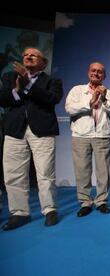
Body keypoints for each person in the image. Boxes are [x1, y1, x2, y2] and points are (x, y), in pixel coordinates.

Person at [0, 47, 63, 230]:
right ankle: (19, 213)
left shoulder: (52, 80)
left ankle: (50, 210)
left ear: (43, 62)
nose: (28, 56)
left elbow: (52, 99)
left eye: (33, 55)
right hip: (14, 130)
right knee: (13, 174)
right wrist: (17, 90)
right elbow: (3, 99)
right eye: (25, 55)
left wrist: (28, 85)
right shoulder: (9, 78)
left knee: (45, 173)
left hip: (42, 130)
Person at [65, 62, 110, 217]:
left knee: (103, 171)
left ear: (104, 76)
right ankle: (85, 202)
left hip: (102, 135)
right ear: (88, 72)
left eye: (100, 72)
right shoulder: (77, 90)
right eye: (93, 71)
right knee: (82, 170)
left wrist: (103, 99)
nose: (96, 73)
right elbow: (69, 109)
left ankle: (101, 201)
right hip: (81, 135)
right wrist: (90, 102)